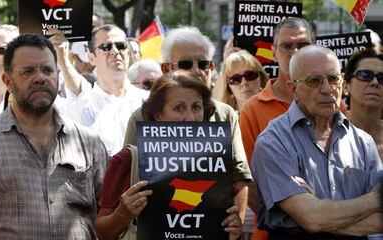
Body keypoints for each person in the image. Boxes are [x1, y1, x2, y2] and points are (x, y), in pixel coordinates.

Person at [0, 33, 107, 239]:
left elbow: (105, 217)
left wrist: (124, 212)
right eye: (28, 71)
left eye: (47, 70)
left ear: (58, 76)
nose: (40, 77)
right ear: (8, 81)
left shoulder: (89, 143)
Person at [123, 26, 257, 232]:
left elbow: (239, 177)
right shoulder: (141, 117)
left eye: (203, 63)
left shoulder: (226, 115)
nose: (196, 70)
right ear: (166, 69)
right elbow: (129, 178)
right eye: (186, 64)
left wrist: (236, 221)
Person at [252, 45, 383, 239]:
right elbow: (312, 218)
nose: (328, 89)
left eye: (333, 79)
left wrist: (315, 218)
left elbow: (379, 220)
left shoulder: (363, 142)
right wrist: (374, 199)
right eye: (314, 81)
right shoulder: (274, 141)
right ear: (293, 89)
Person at [94, 71, 243, 240]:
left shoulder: (218, 162)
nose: (191, 118)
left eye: (196, 107)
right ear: (158, 114)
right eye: (179, 108)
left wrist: (233, 229)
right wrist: (121, 215)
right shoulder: (127, 160)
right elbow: (101, 232)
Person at [238, 17, 315, 239]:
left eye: (303, 45)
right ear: (273, 52)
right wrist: (286, 223)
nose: (295, 51)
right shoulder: (252, 110)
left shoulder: (330, 102)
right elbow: (247, 181)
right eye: (287, 46)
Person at [65, 24, 148, 155]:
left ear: (128, 52)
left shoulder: (148, 101)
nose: (115, 51)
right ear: (92, 58)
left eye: (121, 46)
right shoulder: (83, 104)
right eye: (106, 47)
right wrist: (61, 56)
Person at [344, 49, 383, 160]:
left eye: (382, 78)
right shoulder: (329, 134)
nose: (375, 82)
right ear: (346, 86)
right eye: (365, 75)